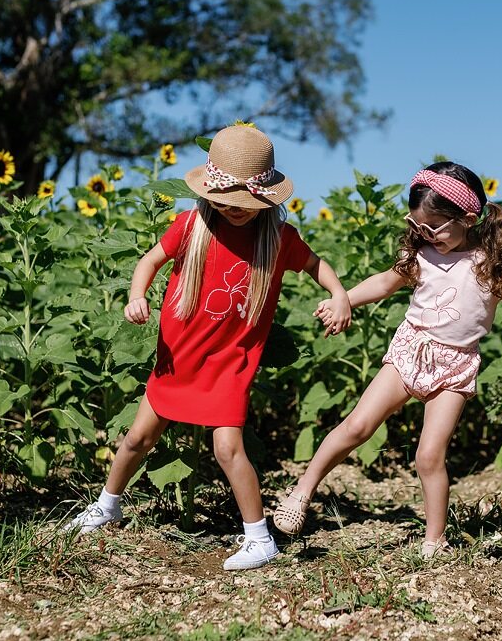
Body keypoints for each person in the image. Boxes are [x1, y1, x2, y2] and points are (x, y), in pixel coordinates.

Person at [63, 125, 351, 571]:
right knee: (138, 438)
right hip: (179, 357)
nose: (235, 211)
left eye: (245, 204)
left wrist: (339, 295)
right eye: (225, 201)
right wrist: (137, 295)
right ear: (207, 194)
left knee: (227, 449)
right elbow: (149, 261)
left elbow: (318, 266)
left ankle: (260, 538)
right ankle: (107, 505)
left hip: (229, 363)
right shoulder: (191, 227)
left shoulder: (278, 240)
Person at [273, 161, 502, 558]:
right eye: (417, 226)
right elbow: (385, 283)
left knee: (429, 456)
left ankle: (435, 542)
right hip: (410, 350)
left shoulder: (489, 264)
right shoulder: (421, 254)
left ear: (468, 219)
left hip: (454, 366)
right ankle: (301, 492)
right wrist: (343, 298)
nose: (425, 234)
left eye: (433, 227)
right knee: (357, 426)